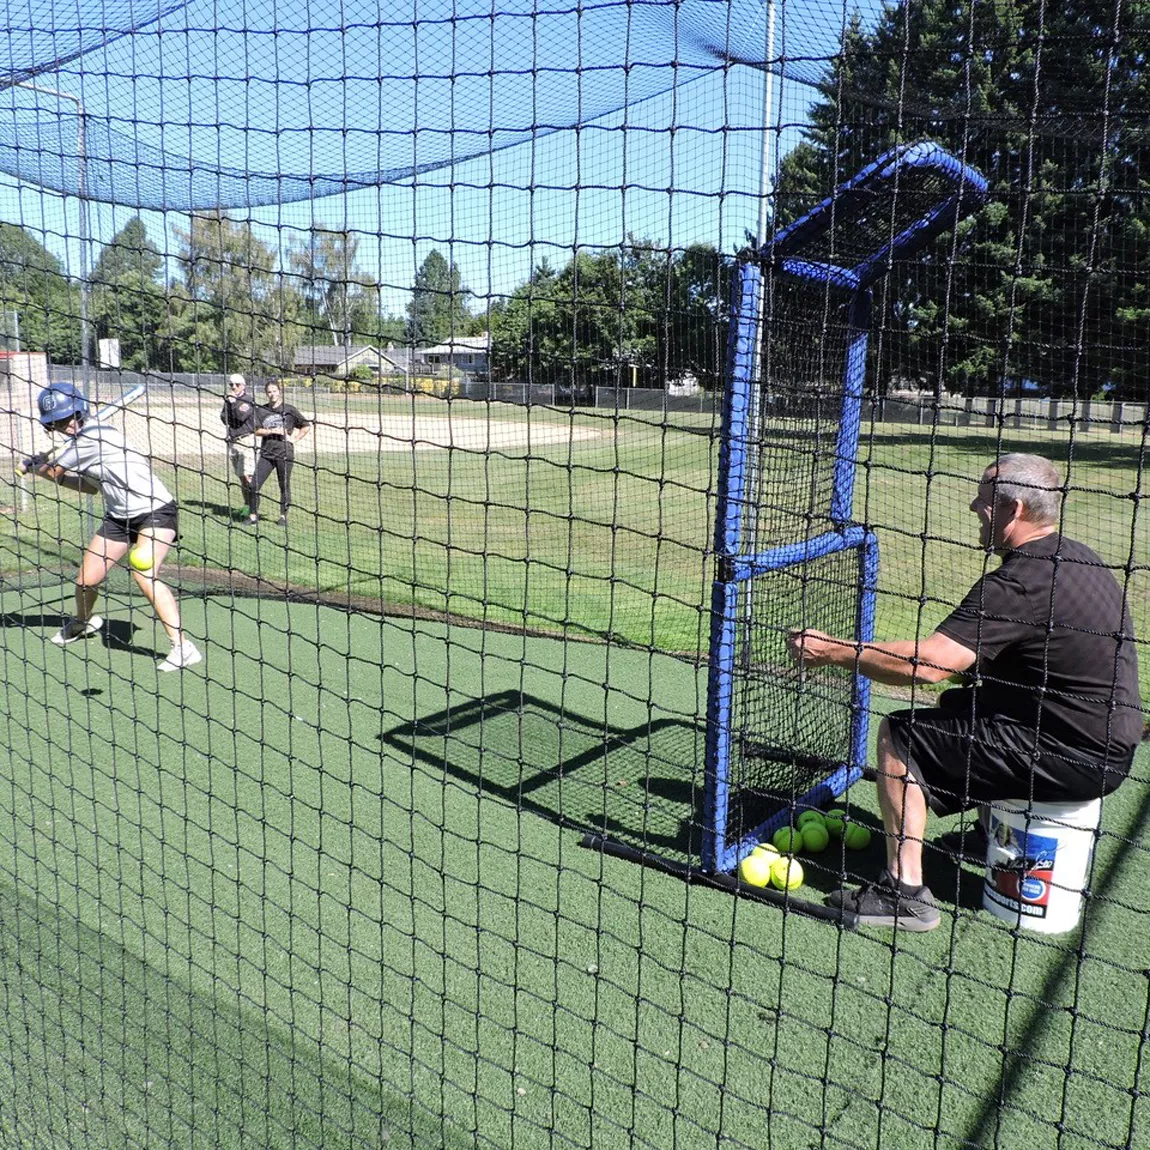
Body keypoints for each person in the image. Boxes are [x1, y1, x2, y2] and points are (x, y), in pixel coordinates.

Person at [786, 453, 1141, 931]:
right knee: (963, 705)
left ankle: (904, 893)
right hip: (1104, 743)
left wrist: (835, 651)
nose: (974, 506)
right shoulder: (1079, 558)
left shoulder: (1017, 583)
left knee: (901, 734)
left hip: (1071, 755)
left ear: (1013, 509)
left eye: (983, 499)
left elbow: (930, 665)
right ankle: (987, 830)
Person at [20, 382, 202, 672]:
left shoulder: (94, 437)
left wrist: (38, 466)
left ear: (80, 411)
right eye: (57, 423)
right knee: (85, 581)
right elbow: (88, 488)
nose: (65, 427)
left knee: (144, 573)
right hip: (119, 516)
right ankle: (83, 622)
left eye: (69, 418)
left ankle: (183, 647)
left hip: (155, 510)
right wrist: (45, 468)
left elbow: (54, 471)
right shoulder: (81, 442)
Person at [246, 380, 310, 526]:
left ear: (280, 391)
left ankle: (283, 517)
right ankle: (253, 516)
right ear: (266, 393)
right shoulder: (261, 410)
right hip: (267, 453)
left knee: (284, 485)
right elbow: (256, 430)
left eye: (274, 391)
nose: (272, 394)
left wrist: (294, 439)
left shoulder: (289, 410)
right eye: (269, 391)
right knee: (254, 485)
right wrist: (271, 431)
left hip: (285, 453)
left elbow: (306, 426)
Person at [220, 372, 258, 511]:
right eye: (231, 385)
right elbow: (224, 418)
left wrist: (233, 403)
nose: (234, 387)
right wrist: (231, 404)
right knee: (241, 477)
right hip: (233, 441)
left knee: (248, 477)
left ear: (243, 386)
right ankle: (247, 505)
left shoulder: (248, 400)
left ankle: (253, 508)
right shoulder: (229, 400)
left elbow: (240, 417)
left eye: (237, 385)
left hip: (246, 441)